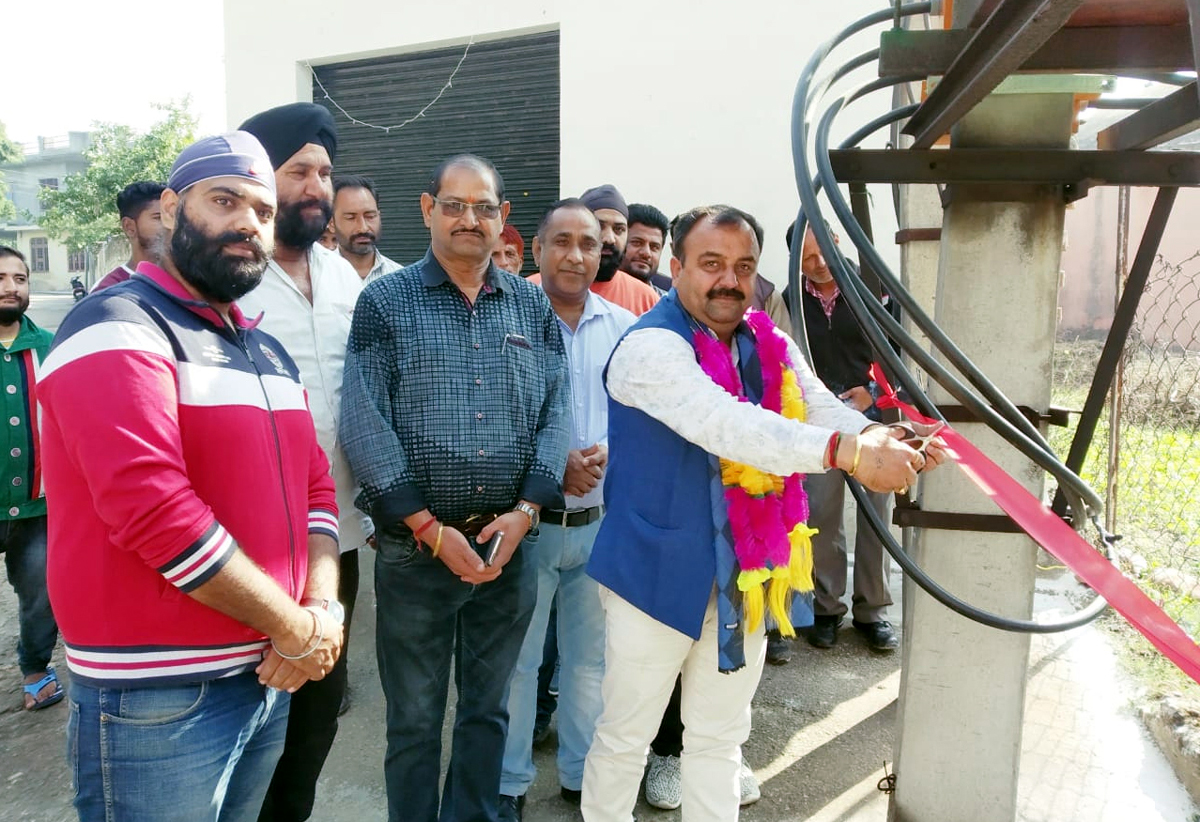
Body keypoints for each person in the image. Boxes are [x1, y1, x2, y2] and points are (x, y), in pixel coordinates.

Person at [581, 205, 942, 822]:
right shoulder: (648, 348)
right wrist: (852, 452)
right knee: (626, 738)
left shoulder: (766, 339)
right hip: (653, 575)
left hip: (744, 573)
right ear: (678, 268)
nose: (729, 280)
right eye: (712, 264)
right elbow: (728, 424)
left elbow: (818, 406)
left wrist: (881, 437)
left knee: (720, 740)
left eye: (744, 266)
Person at [40, 132, 343, 822]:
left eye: (263, 213)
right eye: (225, 200)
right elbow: (153, 510)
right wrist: (296, 627)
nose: (247, 223)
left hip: (268, 670)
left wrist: (323, 611)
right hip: (160, 695)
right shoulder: (115, 325)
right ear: (172, 208)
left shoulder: (265, 349)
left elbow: (316, 492)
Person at [339, 153, 569, 822]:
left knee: (486, 712)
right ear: (427, 210)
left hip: (508, 547)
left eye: (484, 207)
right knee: (412, 720)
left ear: (503, 218)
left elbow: (559, 407)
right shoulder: (386, 301)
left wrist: (527, 510)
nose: (470, 219)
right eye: (455, 205)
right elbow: (363, 417)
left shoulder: (531, 303)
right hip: (417, 554)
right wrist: (426, 527)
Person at [236, 102, 367, 821]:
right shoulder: (229, 276)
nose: (316, 187)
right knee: (246, 724)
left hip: (336, 538)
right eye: (299, 172)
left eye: (324, 171)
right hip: (248, 545)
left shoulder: (346, 279)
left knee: (316, 721)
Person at [498, 199, 635, 820]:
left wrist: (603, 456)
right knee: (520, 662)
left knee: (589, 662)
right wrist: (555, 469)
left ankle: (583, 777)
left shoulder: (624, 328)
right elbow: (492, 422)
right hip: (529, 526)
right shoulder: (506, 322)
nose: (576, 254)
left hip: (601, 526)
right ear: (537, 249)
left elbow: (639, 414)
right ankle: (509, 782)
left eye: (588, 242)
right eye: (562, 242)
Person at [784, 223, 900, 654]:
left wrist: (870, 393)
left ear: (837, 242)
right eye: (806, 258)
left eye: (822, 251)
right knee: (821, 514)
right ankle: (827, 608)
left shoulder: (876, 288)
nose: (817, 264)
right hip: (820, 426)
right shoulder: (788, 299)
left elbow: (900, 351)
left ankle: (873, 611)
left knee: (875, 516)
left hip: (873, 417)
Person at [0, 246, 59, 712]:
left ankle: (36, 668)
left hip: (39, 506)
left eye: (20, 278)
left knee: (42, 589)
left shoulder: (52, 348)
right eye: (1, 277)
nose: (11, 287)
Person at [527, 186, 659, 316]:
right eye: (601, 226)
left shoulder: (646, 299)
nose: (609, 239)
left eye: (619, 229)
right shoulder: (528, 291)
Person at [91, 181, 165, 291]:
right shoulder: (107, 291)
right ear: (129, 227)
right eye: (158, 218)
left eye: (173, 216)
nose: (170, 224)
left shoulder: (188, 282)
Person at [331, 174, 402, 284]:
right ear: (331, 223)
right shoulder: (318, 278)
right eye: (351, 218)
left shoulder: (399, 279)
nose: (363, 228)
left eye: (370, 216)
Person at [620, 203, 671, 294]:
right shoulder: (592, 296)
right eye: (637, 243)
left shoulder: (667, 305)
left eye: (654, 247)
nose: (646, 253)